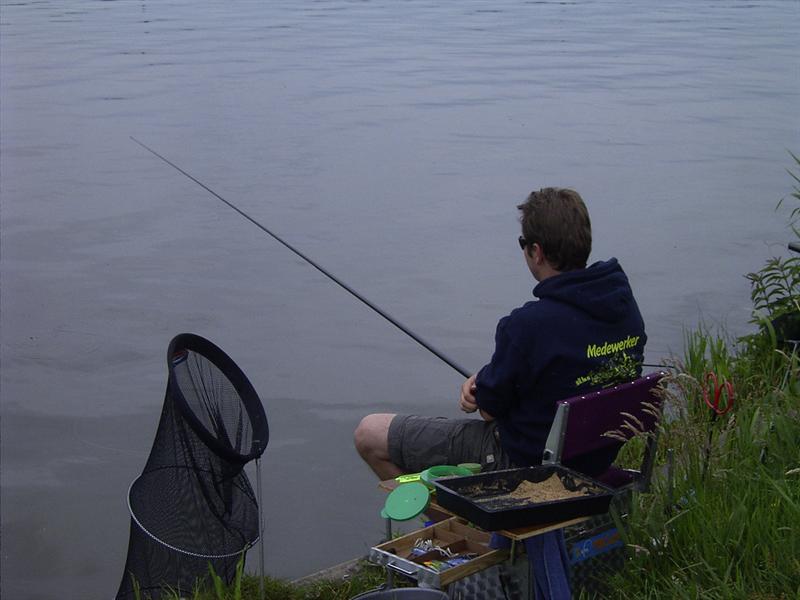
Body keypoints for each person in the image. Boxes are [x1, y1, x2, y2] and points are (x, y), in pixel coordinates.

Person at [354, 187, 647, 481]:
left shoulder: (526, 325)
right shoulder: (623, 307)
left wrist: (479, 390)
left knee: (370, 433)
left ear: (537, 251)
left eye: (523, 244)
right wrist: (487, 378)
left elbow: (489, 411)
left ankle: (443, 511)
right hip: (592, 458)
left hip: (525, 464)